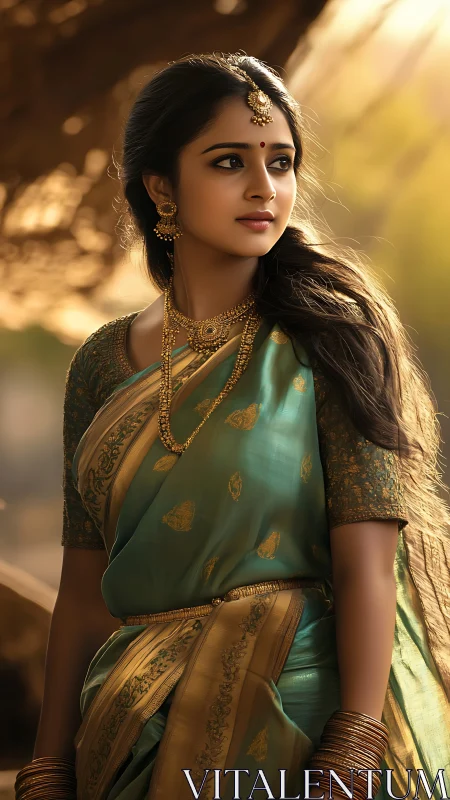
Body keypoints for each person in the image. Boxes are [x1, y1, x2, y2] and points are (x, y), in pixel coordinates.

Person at [16, 53, 449, 800]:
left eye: (281, 163)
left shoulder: (334, 341)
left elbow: (368, 567)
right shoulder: (100, 363)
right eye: (229, 162)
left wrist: (351, 747)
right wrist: (50, 763)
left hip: (302, 712)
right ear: (161, 187)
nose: (265, 189)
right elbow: (83, 591)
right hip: (133, 721)